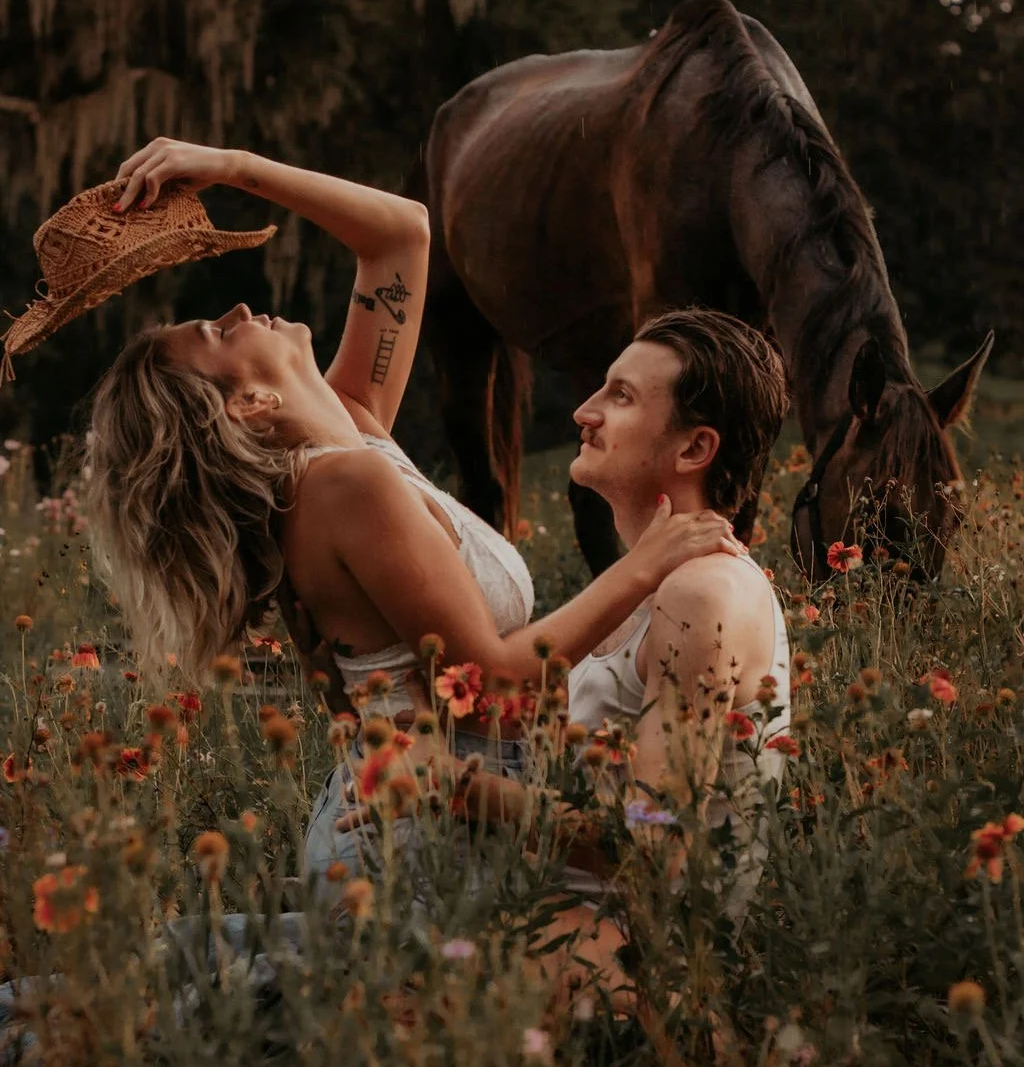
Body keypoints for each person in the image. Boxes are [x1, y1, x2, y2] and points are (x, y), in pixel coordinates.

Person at [84, 138, 746, 889]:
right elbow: (492, 692)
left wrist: (234, 168)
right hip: (427, 836)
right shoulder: (342, 486)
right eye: (218, 333)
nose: (238, 310)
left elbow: (401, 234)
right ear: (251, 403)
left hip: (444, 813)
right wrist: (642, 567)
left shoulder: (354, 429)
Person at [542, 309, 792, 1007]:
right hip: (562, 926)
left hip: (629, 961)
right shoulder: (648, 582)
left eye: (620, 396)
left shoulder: (702, 594)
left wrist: (471, 800)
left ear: (694, 448)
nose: (585, 411)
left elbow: (654, 847)